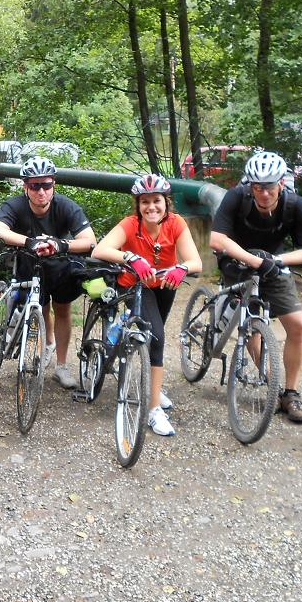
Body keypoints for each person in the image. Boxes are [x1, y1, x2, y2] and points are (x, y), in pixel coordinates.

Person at [209, 150, 302, 424]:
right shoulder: (237, 196)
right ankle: (273, 384)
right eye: (257, 187)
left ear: (281, 183)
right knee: (251, 324)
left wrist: (275, 260)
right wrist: (253, 260)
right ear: (250, 185)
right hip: (237, 260)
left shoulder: (296, 205)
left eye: (269, 187)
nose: (264, 193)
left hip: (274, 265)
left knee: (298, 326)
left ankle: (290, 393)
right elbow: (216, 239)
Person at [92, 173, 203, 436]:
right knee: (157, 338)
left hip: (165, 284)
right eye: (145, 202)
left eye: (156, 201)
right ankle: (153, 410)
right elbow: (100, 250)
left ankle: (153, 387)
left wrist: (181, 267)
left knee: (154, 333)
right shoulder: (131, 225)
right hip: (135, 284)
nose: (151, 207)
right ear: (138, 205)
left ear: (166, 202)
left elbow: (196, 261)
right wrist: (131, 257)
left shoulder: (176, 223)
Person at [0, 156, 97, 390]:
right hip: (30, 264)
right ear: (25, 187)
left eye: (46, 185)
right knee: (41, 305)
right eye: (35, 185)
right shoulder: (16, 205)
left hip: (60, 265)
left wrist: (61, 245)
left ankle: (61, 365)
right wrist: (28, 242)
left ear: (53, 186)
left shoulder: (66, 206)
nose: (41, 191)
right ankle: (47, 342)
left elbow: (90, 240)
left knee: (62, 309)